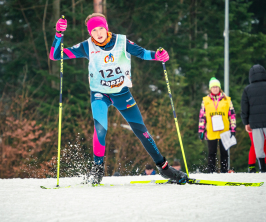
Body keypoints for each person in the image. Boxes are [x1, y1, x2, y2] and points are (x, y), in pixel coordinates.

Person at [49, 13, 188, 184]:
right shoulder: (87, 46)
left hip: (122, 94)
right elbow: (56, 56)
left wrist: (158, 56)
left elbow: (143, 53)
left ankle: (165, 168)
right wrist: (58, 34)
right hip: (100, 94)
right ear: (89, 33)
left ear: (106, 27)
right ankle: (97, 169)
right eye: (94, 30)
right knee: (100, 129)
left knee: (141, 131)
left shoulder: (121, 42)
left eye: (101, 28)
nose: (98, 33)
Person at [198, 77, 236, 173]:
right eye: (213, 87)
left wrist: (233, 128)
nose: (215, 88)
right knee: (212, 152)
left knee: (224, 152)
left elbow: (232, 115)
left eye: (217, 87)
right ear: (210, 89)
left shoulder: (227, 99)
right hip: (211, 130)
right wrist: (201, 130)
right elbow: (202, 116)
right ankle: (211, 171)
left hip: (224, 130)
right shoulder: (206, 100)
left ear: (219, 88)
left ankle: (224, 170)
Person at [241, 64, 266, 173]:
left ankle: (262, 169)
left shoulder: (247, 89)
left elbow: (244, 107)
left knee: (258, 146)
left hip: (254, 123)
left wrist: (246, 122)